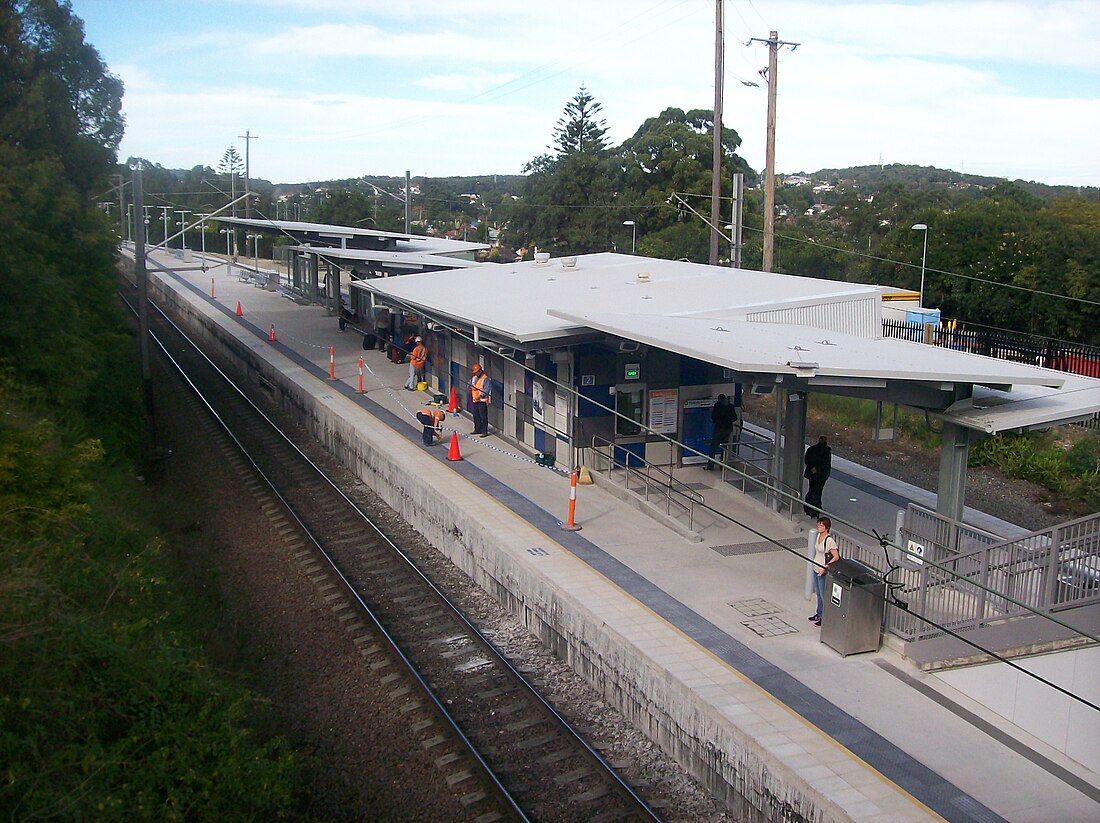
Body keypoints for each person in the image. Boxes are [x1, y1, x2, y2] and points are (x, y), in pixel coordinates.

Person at [810, 516, 840, 626]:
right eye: (819, 524)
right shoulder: (818, 536)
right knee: (818, 592)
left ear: (826, 527)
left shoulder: (829, 540)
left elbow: (836, 556)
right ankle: (819, 612)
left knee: (823, 593)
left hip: (822, 569)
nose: (819, 526)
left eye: (821, 525)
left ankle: (825, 616)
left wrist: (825, 567)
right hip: (815, 567)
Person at [704, 394, 739, 471]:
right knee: (724, 446)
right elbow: (735, 418)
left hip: (719, 429)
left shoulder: (718, 406)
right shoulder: (730, 406)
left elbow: (713, 417)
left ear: (719, 399)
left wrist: (717, 422)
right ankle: (722, 466)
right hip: (728, 429)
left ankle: (710, 466)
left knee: (713, 446)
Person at [803, 435, 832, 516]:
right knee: (818, 492)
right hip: (821, 476)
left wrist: (812, 468)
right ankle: (816, 508)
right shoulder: (827, 451)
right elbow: (826, 465)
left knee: (811, 489)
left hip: (812, 474)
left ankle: (808, 506)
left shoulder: (811, 449)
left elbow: (807, 459)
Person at [469, 362, 491, 436]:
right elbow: (469, 384)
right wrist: (470, 386)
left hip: (482, 400)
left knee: (483, 416)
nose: (475, 374)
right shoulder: (474, 378)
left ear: (480, 371)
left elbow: (487, 389)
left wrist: (480, 395)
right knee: (476, 415)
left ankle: (484, 431)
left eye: (476, 372)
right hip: (475, 400)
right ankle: (477, 429)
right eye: (474, 373)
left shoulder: (485, 378)